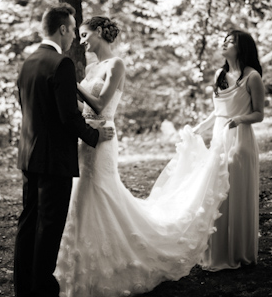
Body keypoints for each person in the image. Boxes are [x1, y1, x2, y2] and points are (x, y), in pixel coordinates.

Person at [54, 19, 253, 297]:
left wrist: (73, 85)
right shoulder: (90, 67)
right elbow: (82, 107)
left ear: (99, 33)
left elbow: (99, 104)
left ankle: (124, 257)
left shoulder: (116, 65)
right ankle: (81, 262)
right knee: (83, 196)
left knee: (101, 193)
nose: (82, 40)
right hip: (86, 138)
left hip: (105, 138)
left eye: (86, 35)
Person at [14, 4, 115, 297]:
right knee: (49, 226)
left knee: (28, 222)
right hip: (53, 159)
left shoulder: (30, 61)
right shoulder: (62, 63)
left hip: (29, 154)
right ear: (62, 29)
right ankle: (43, 290)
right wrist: (94, 135)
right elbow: (68, 116)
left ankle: (24, 289)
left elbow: (27, 108)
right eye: (72, 29)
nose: (74, 36)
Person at [194, 29, 265, 271]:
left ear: (241, 47)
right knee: (217, 193)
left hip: (240, 139)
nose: (224, 44)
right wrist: (199, 128)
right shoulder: (219, 74)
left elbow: (259, 114)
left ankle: (238, 251)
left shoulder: (252, 77)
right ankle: (217, 250)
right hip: (219, 137)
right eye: (223, 40)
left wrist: (239, 120)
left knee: (235, 192)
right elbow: (217, 110)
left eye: (230, 41)